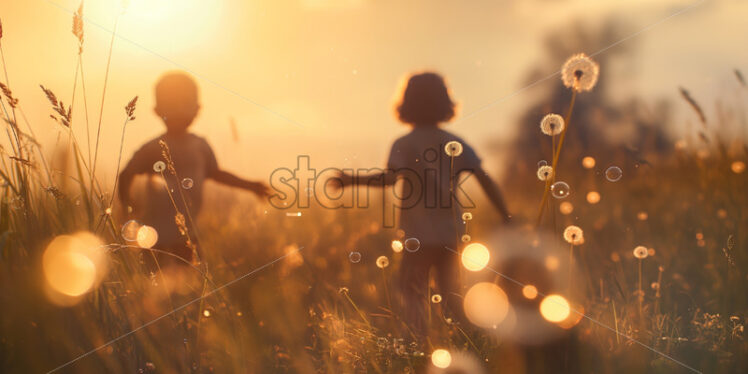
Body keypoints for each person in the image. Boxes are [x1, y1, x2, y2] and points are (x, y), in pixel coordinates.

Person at [335, 72, 511, 335]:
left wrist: (352, 180)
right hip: (451, 231)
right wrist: (506, 215)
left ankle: (418, 346)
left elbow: (388, 180)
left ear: (406, 104)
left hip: (418, 234)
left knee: (412, 290)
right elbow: (485, 178)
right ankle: (465, 342)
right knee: (451, 293)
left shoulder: (404, 143)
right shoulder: (454, 141)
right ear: (446, 103)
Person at [118, 71, 269, 265]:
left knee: (191, 282)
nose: (178, 111)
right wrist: (128, 204)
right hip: (154, 235)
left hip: (187, 233)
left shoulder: (200, 146)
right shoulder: (153, 148)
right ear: (157, 110)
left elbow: (216, 174)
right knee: (157, 280)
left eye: (184, 104)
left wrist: (251, 185)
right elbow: (126, 174)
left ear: (197, 109)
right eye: (171, 105)